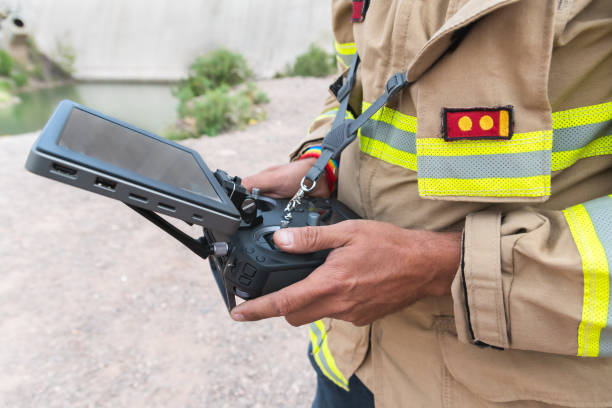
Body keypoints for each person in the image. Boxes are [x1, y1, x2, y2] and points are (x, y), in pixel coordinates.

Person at [232, 0, 612, 406]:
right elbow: (358, 79)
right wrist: (321, 162)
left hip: (510, 389)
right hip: (349, 362)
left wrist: (438, 266)